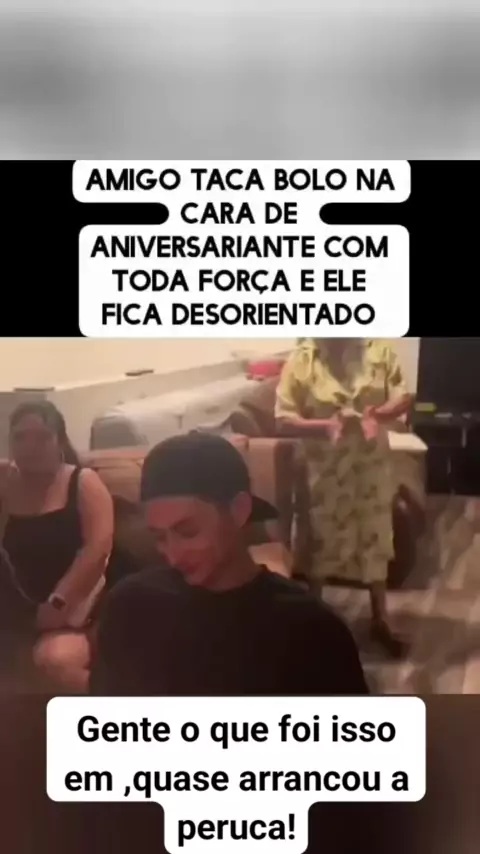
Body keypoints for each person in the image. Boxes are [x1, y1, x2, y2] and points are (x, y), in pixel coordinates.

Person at [90, 432, 368, 696]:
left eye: (188, 532)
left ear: (239, 511)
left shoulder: (312, 630)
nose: (173, 555)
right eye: (160, 537)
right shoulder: (130, 606)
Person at [275, 338, 413, 657]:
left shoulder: (379, 351)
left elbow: (403, 395)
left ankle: (380, 620)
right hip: (323, 472)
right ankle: (316, 622)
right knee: (320, 543)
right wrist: (324, 427)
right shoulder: (301, 361)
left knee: (375, 538)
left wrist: (380, 414)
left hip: (370, 467)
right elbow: (283, 417)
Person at [0, 401, 114, 692]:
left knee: (54, 659)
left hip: (85, 603)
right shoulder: (5, 483)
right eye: (20, 438)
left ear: (60, 441)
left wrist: (58, 602)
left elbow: (96, 551)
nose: (29, 447)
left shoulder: (82, 481)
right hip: (23, 603)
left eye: (42, 438)